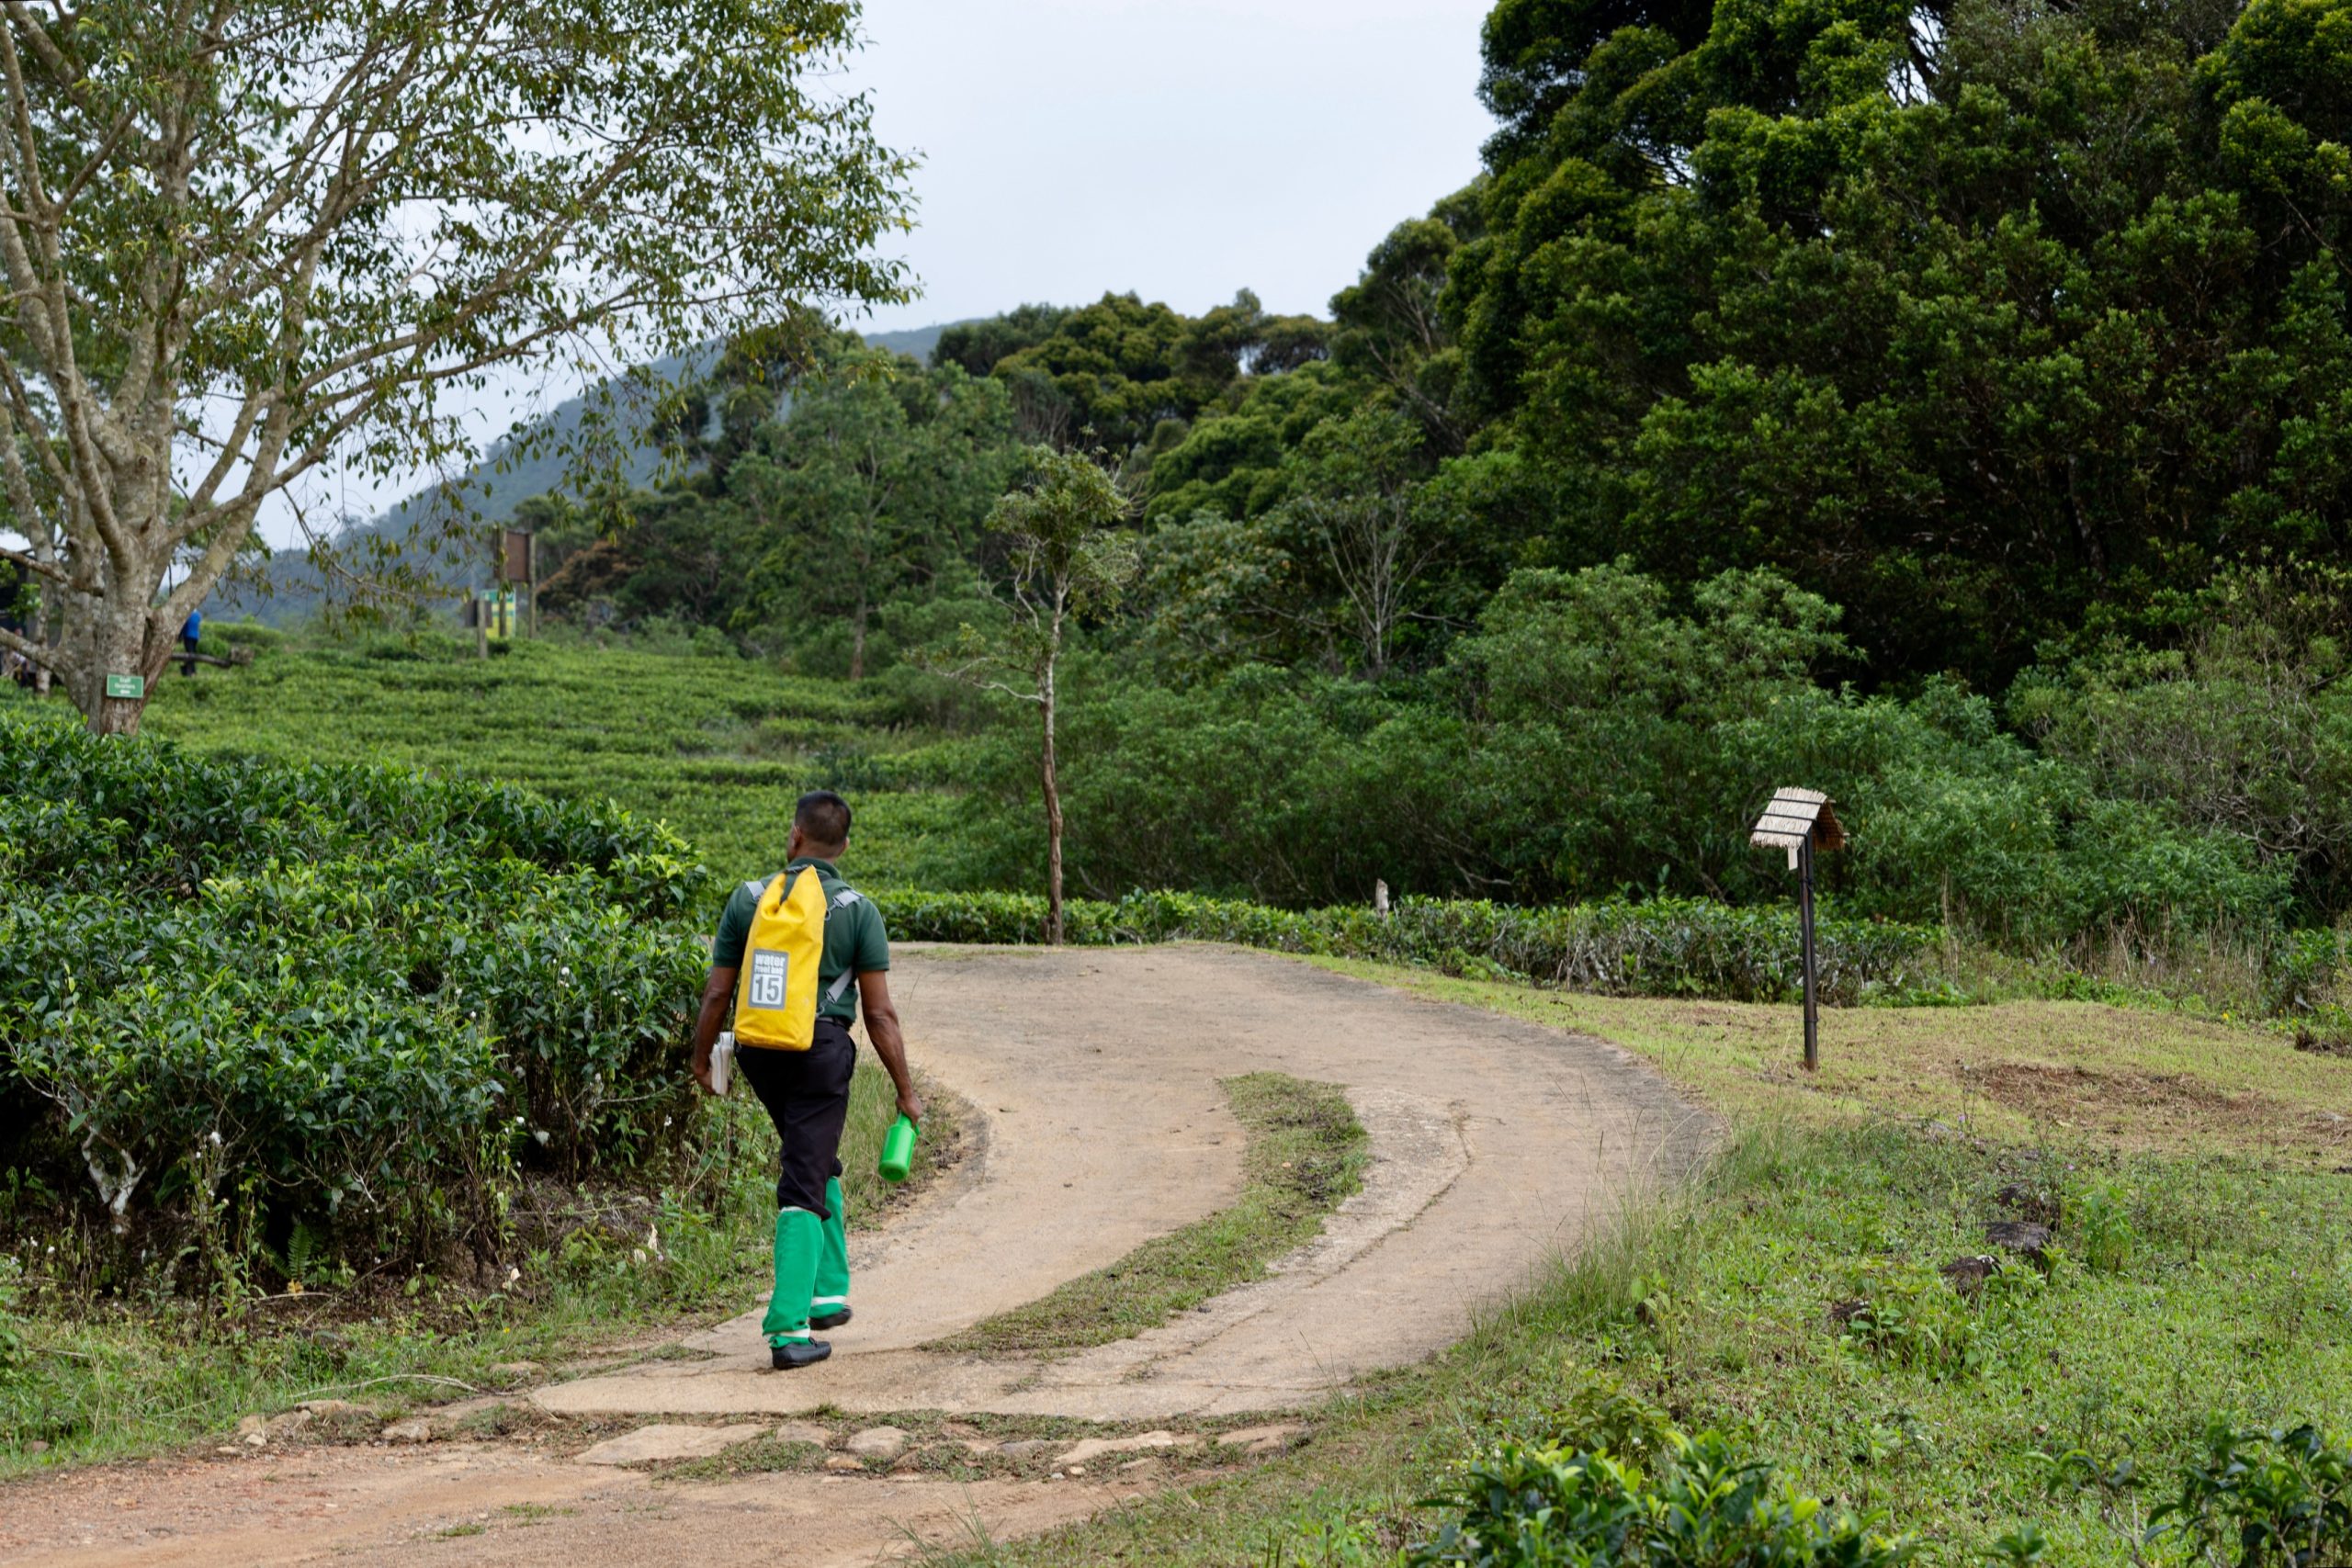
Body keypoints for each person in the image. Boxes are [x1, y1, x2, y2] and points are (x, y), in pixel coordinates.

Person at [689, 790, 922, 1371]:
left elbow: (719, 991)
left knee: (814, 1159)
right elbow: (880, 1014)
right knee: (803, 1178)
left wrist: (701, 1058)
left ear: (794, 837)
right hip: (820, 1055)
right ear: (844, 847)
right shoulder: (857, 910)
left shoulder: (749, 900)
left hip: (759, 1052)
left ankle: (826, 1292)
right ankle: (789, 1329)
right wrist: (905, 1090)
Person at [179, 607, 202, 676]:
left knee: (190, 653)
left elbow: (184, 626)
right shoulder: (198, 615)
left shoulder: (188, 614)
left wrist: (180, 636)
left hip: (188, 635)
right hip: (196, 636)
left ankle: (192, 671)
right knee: (192, 652)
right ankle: (190, 671)